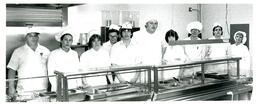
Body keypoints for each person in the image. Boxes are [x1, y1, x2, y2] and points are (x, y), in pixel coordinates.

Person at [7, 28, 50, 100]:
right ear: (26, 37)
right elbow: (12, 69)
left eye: (35, 35)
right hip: (24, 91)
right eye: (30, 36)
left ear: (38, 37)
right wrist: (11, 87)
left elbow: (50, 69)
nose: (33, 38)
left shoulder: (46, 51)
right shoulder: (18, 51)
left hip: (42, 90)